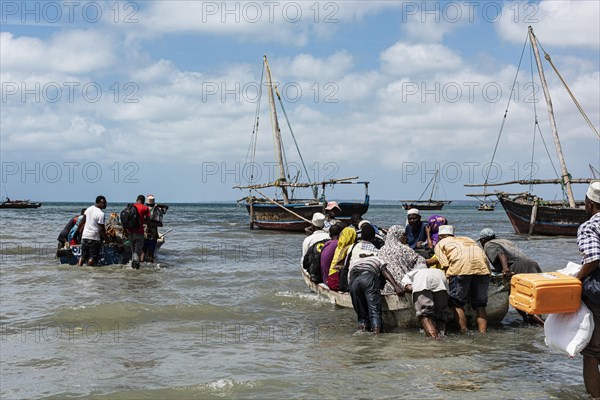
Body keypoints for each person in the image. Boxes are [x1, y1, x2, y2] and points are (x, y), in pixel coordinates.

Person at [478, 227, 545, 326]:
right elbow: (512, 256)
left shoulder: (489, 244)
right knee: (531, 296)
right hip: (532, 265)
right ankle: (529, 319)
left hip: (518, 268)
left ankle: (541, 324)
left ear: (482, 240)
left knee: (517, 297)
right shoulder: (504, 241)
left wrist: (505, 269)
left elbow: (501, 254)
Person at [433, 225, 491, 334]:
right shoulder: (468, 239)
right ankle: (483, 333)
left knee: (457, 303)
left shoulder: (440, 244)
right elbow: (482, 256)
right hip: (483, 270)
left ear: (440, 237)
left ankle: (464, 331)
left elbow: (445, 265)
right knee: (480, 304)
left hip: (460, 270)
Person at [576, 182, 600, 399]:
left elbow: (593, 259)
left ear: (590, 203)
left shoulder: (590, 226)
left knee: (592, 352)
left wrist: (578, 277)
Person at [348, 253, 404, 333]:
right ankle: (377, 337)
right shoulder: (376, 258)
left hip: (354, 282)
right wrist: (396, 286)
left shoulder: (354, 262)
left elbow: (349, 280)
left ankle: (361, 331)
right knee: (374, 312)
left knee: (362, 318)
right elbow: (384, 271)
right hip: (368, 277)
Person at [400, 267, 449, 338]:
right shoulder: (436, 270)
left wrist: (418, 292)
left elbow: (409, 287)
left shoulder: (409, 274)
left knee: (425, 316)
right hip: (441, 278)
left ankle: (435, 343)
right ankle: (443, 338)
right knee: (440, 317)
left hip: (422, 281)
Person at [378, 225, 428, 294]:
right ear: (398, 236)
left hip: (386, 288)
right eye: (404, 235)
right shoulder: (404, 249)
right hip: (404, 286)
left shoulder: (381, 250)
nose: (406, 238)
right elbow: (421, 261)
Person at [78, 196, 108, 267]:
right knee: (92, 257)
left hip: (85, 236)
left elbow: (82, 221)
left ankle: (79, 268)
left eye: (105, 203)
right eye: (103, 203)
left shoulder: (88, 209)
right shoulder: (101, 214)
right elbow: (101, 229)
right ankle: (89, 270)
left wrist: (78, 230)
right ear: (98, 203)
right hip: (94, 238)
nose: (105, 204)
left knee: (83, 256)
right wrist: (106, 239)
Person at [126, 195, 150, 269]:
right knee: (137, 251)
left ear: (136, 200)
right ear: (143, 201)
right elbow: (148, 221)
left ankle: (132, 266)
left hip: (130, 232)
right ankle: (135, 268)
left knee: (133, 251)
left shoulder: (130, 206)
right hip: (139, 232)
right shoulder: (145, 208)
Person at [142, 194, 169, 263]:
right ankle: (151, 269)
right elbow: (166, 207)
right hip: (153, 234)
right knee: (151, 254)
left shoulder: (143, 209)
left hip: (143, 234)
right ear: (153, 202)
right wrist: (157, 205)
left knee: (143, 252)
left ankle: (141, 267)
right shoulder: (158, 210)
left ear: (146, 202)